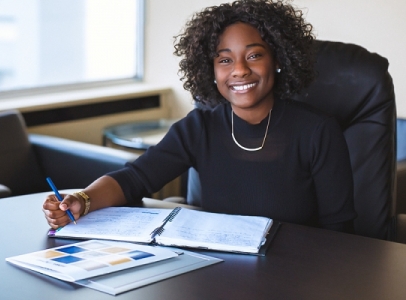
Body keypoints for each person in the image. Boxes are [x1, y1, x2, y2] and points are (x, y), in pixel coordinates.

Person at [43, 0, 356, 233]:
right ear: (211, 70)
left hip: (295, 276)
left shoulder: (317, 132)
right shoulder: (199, 127)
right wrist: (81, 201)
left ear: (278, 59)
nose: (239, 70)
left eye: (254, 55)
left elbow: (340, 233)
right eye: (224, 59)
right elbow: (134, 178)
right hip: (216, 274)